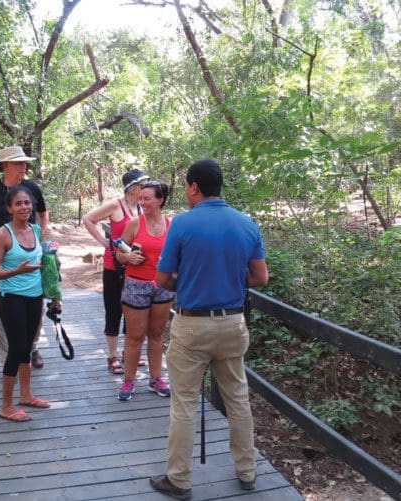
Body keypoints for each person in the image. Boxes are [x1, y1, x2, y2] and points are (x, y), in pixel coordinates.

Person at [150, 159, 268, 499]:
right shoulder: (246, 223)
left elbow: (161, 279)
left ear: (193, 187)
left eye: (186, 187)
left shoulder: (183, 224)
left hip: (192, 327)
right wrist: (229, 278)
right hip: (233, 324)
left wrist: (189, 280)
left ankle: (179, 480)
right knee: (238, 399)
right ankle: (247, 472)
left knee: (184, 403)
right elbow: (260, 277)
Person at [0, 145, 49, 370]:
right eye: (18, 163)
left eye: (24, 163)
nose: (23, 167)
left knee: (35, 307)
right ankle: (7, 357)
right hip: (0, 259)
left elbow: (43, 213)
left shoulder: (32, 188)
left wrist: (42, 232)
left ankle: (31, 349)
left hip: (29, 257)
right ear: (5, 166)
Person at [0, 186, 60, 421]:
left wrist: (54, 295)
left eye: (27, 203)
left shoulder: (36, 230)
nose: (24, 207)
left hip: (35, 297)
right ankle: (6, 405)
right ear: (9, 208)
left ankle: (26, 395)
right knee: (16, 348)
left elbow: (45, 264)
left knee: (28, 346)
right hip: (11, 298)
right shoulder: (2, 234)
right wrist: (16, 271)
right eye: (18, 203)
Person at [82, 168, 149, 375]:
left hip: (133, 268)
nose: (146, 189)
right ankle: (112, 356)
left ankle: (130, 352)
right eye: (144, 185)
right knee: (113, 310)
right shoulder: (115, 205)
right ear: (134, 188)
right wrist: (104, 242)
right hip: (114, 267)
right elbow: (88, 219)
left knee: (133, 310)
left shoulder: (141, 209)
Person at [115, 180, 175, 401]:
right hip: (136, 285)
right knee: (135, 336)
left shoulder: (171, 225)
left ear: (160, 200)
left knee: (157, 334)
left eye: (147, 198)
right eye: (141, 198)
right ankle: (128, 381)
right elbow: (119, 253)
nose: (142, 202)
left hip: (162, 286)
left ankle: (156, 379)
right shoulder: (134, 224)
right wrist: (127, 257)